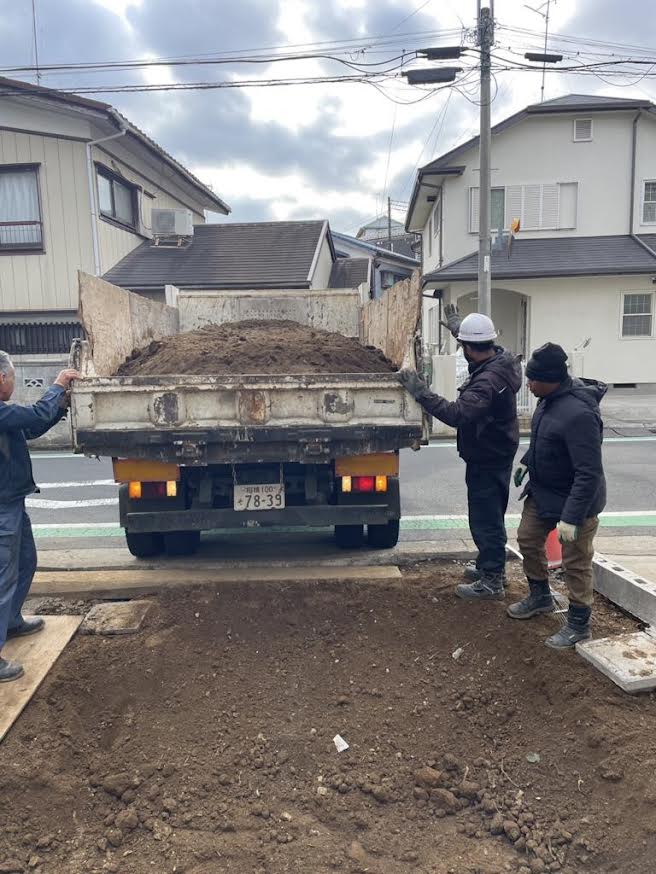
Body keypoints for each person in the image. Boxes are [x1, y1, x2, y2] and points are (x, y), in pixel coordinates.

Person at [400, 309, 521, 600]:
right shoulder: (502, 360)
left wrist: (420, 391)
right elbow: (479, 344)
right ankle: (489, 566)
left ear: (469, 349)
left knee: (485, 518)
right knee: (490, 514)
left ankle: (492, 579)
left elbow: (457, 414)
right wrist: (460, 329)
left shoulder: (487, 383)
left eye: (462, 345)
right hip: (496, 450)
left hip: (488, 455)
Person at [508, 342, 606, 649]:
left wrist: (572, 517)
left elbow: (587, 473)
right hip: (543, 492)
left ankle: (579, 624)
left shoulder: (579, 414)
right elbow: (544, 440)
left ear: (550, 379)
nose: (528, 384)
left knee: (575, 561)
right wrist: (527, 462)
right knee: (527, 538)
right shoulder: (548, 400)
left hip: (576, 502)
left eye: (533, 380)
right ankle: (540, 597)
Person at [0, 352, 80, 682]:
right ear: (1, 378)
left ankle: (13, 620)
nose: (14, 383)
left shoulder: (5, 415)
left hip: (12, 502)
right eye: (12, 378)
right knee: (3, 577)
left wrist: (60, 404)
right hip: (2, 508)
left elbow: (32, 426)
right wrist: (57, 385)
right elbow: (33, 414)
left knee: (26, 561)